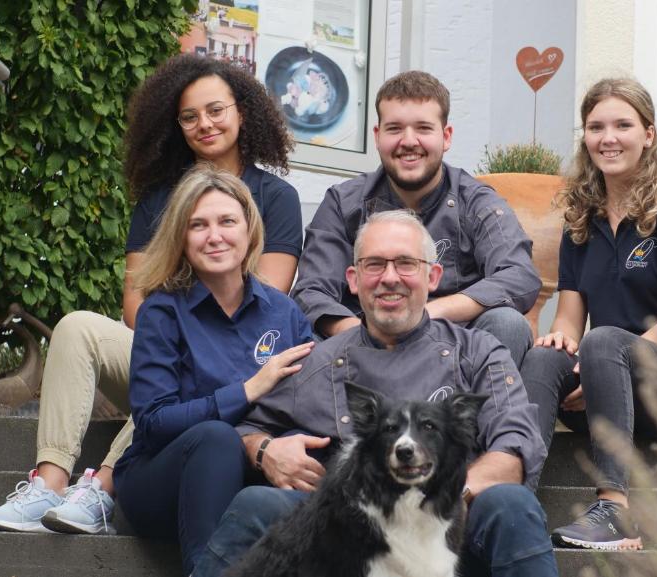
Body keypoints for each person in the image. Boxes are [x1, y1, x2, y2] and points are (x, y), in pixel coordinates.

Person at [0, 53, 302, 536]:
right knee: (78, 326)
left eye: (216, 110)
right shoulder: (157, 201)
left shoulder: (276, 197)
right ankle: (49, 483)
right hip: (162, 346)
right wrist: (174, 331)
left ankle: (103, 489)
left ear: (243, 112)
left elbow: (267, 299)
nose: (203, 124)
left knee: (190, 372)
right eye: (188, 117)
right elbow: (135, 304)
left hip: (246, 361)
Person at [192, 210, 558, 577]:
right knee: (256, 503)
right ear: (353, 280)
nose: (389, 278)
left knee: (512, 503)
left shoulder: (478, 352)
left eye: (405, 264)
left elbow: (513, 446)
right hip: (356, 533)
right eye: (374, 265)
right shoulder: (318, 361)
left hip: (446, 529)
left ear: (432, 277)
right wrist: (266, 450)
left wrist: (441, 498)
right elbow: (246, 428)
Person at [519, 78, 657, 551]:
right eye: (596, 126)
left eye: (623, 125)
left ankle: (614, 511)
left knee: (603, 340)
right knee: (544, 357)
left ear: (649, 135)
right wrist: (561, 342)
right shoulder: (581, 219)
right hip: (604, 395)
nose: (609, 137)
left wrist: (602, 363)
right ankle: (515, 502)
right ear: (585, 136)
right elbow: (568, 318)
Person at [113, 164, 314, 575]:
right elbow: (153, 422)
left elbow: (308, 398)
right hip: (162, 480)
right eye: (198, 225)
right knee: (215, 439)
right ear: (181, 238)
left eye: (227, 221)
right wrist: (248, 389)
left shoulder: (283, 312)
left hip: (252, 478)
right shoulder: (162, 311)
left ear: (249, 230)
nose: (215, 236)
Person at [291, 71, 540, 368]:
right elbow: (311, 291)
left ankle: (472, 416)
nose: (409, 141)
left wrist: (425, 316)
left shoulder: (477, 201)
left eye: (423, 128)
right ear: (377, 135)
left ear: (445, 137)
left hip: (453, 351)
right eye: (395, 128)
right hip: (363, 351)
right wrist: (363, 333)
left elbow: (519, 275)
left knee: (508, 323)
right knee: (302, 338)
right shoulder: (343, 203)